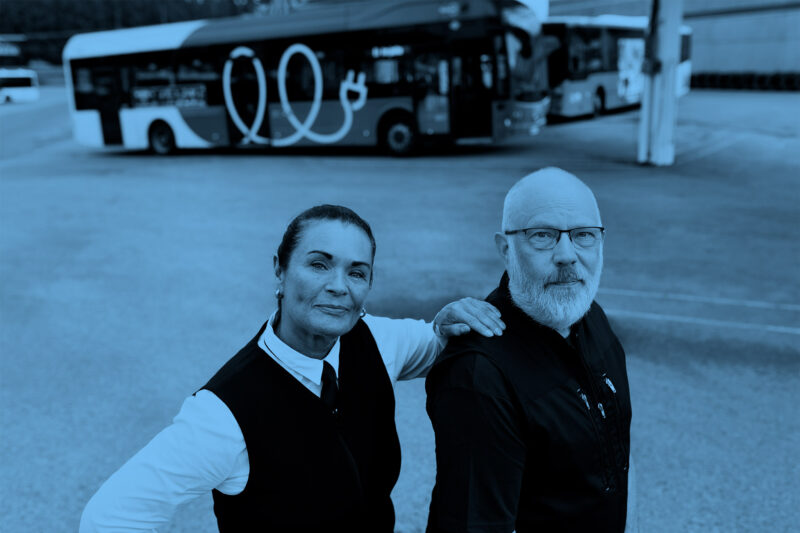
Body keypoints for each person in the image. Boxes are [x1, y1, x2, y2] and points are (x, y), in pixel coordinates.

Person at [80, 204, 505, 532]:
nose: (339, 286)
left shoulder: (373, 340)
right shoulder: (223, 413)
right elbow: (110, 517)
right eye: (319, 264)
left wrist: (453, 319)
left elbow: (440, 340)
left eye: (357, 272)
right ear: (280, 271)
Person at [425, 168, 636, 532]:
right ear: (505, 249)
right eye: (542, 236)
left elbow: (617, 457)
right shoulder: (479, 375)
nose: (566, 255)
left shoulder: (593, 319)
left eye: (584, 235)